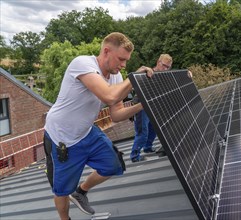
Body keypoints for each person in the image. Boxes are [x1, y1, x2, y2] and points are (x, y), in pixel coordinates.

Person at [43, 32, 153, 220]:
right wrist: (134, 77)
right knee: (61, 190)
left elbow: (117, 115)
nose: (123, 65)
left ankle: (81, 192)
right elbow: (108, 96)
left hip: (86, 132)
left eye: (126, 61)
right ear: (106, 51)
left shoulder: (116, 77)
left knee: (113, 165)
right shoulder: (83, 64)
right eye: (121, 59)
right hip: (61, 137)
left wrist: (143, 104)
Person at [130, 54, 173, 162]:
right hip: (140, 106)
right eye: (164, 66)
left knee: (154, 128)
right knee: (142, 131)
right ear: (158, 62)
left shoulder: (163, 76)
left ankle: (148, 148)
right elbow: (133, 79)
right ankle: (135, 156)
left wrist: (187, 73)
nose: (165, 69)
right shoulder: (147, 73)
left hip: (152, 106)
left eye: (168, 67)